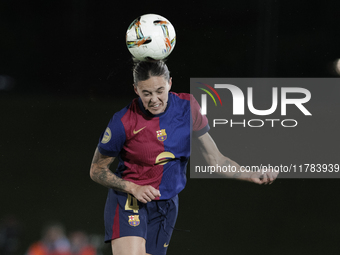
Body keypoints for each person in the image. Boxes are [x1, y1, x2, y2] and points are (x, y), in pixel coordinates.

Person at [89, 60, 278, 255]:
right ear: (136, 90)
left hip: (167, 204)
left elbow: (216, 160)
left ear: (170, 83)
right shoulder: (123, 121)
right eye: (147, 93)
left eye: (160, 91)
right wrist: (133, 187)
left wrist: (251, 174)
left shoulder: (188, 108)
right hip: (129, 200)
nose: (154, 99)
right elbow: (96, 170)